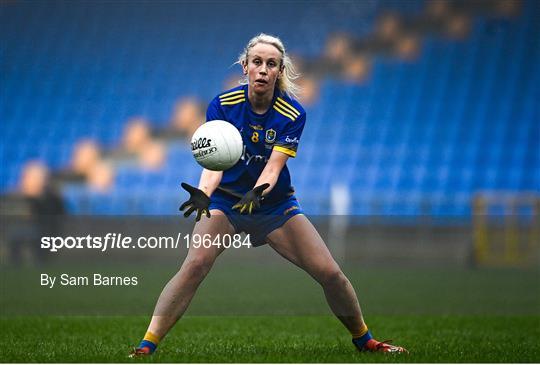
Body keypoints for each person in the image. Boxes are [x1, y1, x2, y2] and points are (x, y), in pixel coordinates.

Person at [130, 33, 407, 357]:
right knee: (195, 264)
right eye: (257, 62)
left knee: (330, 273)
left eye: (271, 64)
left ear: (279, 71)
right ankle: (147, 346)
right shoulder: (222, 105)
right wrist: (204, 193)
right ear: (245, 67)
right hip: (226, 202)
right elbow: (214, 163)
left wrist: (257, 193)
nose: (263, 69)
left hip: (274, 204)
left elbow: (274, 168)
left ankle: (366, 341)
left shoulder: (292, 114)